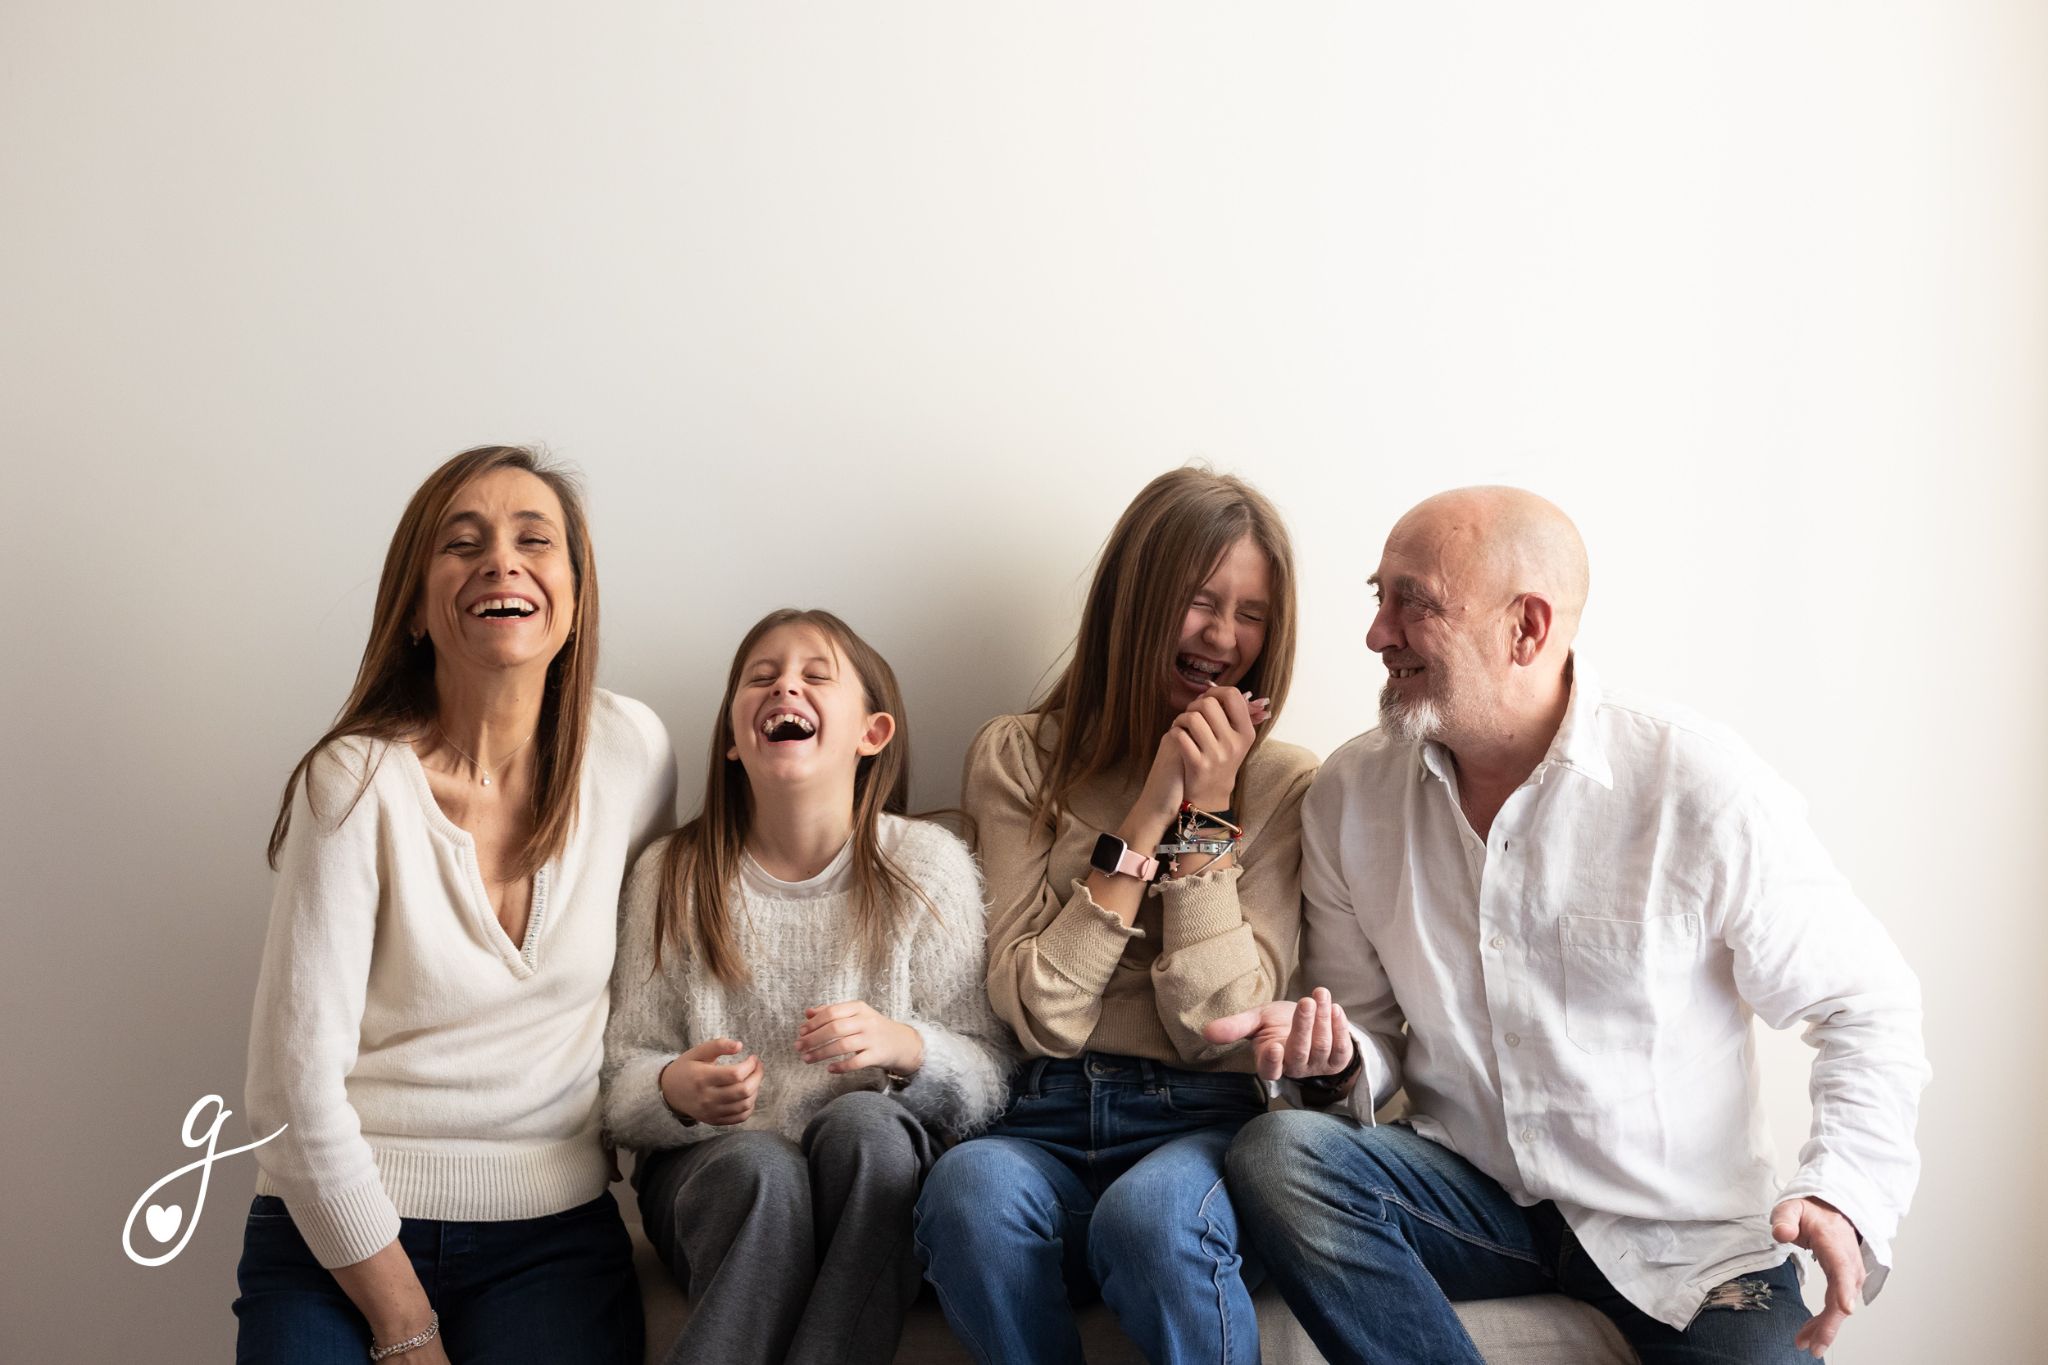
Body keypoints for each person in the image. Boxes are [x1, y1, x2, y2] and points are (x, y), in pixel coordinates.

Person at [1208, 486, 1929, 1364]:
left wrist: (1842, 1194)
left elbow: (1869, 1004)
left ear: (1527, 628)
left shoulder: (1694, 785)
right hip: (1472, 1193)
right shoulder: (1352, 796)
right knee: (1282, 1153)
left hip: (1685, 1239)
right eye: (1378, 597)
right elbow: (1371, 1028)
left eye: (1415, 603)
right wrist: (1341, 1054)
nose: (1376, 634)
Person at [235, 446, 678, 1365]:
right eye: (461, 542)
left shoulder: (633, 752)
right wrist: (405, 1326)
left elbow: (644, 1000)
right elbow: (289, 1091)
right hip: (335, 1235)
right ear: (413, 604)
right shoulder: (352, 783)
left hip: (550, 1242)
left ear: (574, 593)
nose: (500, 562)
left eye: (533, 539)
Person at [914, 467, 1319, 1364]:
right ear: (1136, 603)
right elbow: (1042, 1012)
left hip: (1203, 1121)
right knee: (967, 1194)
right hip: (1042, 1114)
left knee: (1153, 1218)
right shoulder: (1020, 757)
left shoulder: (1283, 782)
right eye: (1199, 600)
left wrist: (1207, 816)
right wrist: (1149, 812)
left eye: (1251, 612)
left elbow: (1219, 1025)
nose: (1223, 636)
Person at [603, 608, 1013, 1365]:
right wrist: (672, 1087)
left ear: (872, 732)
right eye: (761, 676)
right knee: (764, 1173)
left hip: (866, 1179)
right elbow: (619, 1074)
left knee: (869, 1129)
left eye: (814, 675)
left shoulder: (929, 867)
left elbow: (991, 1074)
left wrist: (906, 1046)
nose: (784, 684)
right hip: (718, 1176)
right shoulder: (673, 873)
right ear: (732, 738)